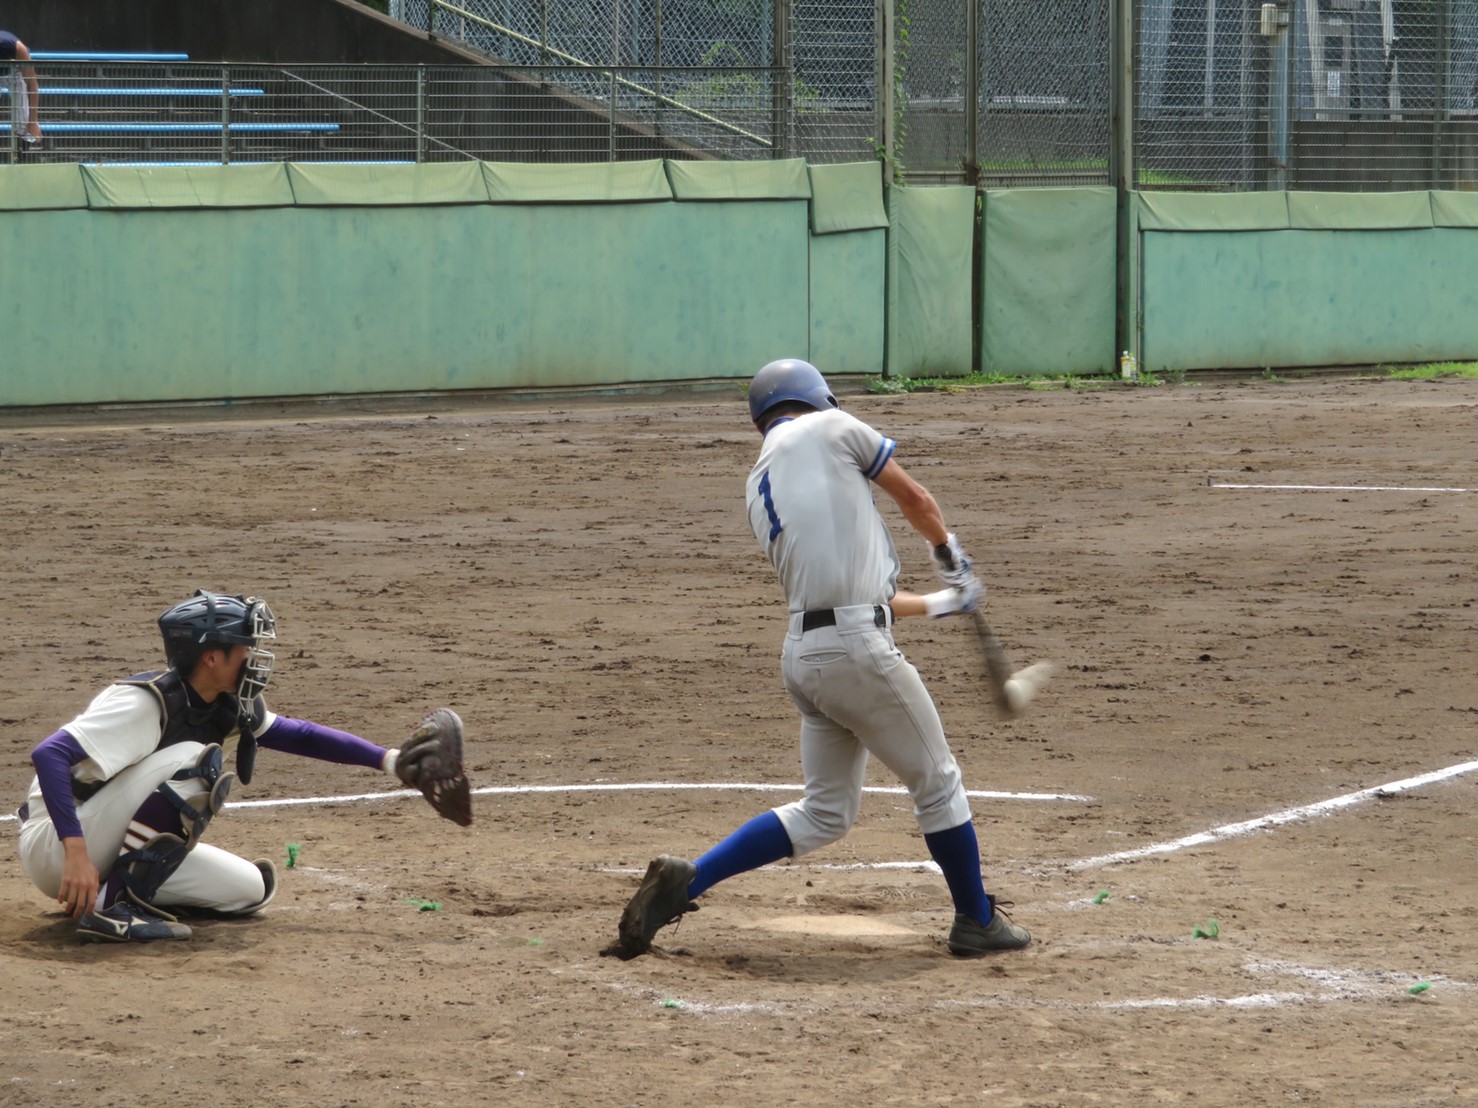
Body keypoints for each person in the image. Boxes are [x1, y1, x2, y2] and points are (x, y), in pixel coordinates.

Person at [613, 358, 1042, 959]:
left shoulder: (761, 481)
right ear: (819, 399)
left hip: (806, 658)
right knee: (938, 782)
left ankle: (690, 880)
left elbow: (862, 593)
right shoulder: (833, 428)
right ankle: (975, 919)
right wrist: (949, 553)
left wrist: (947, 603)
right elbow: (916, 498)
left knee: (825, 811)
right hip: (855, 652)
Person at [15, 590, 426, 942]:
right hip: (58, 842)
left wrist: (391, 761)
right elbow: (49, 754)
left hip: (100, 842)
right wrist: (76, 853)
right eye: (244, 646)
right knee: (194, 759)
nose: (254, 655)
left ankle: (122, 891)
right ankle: (109, 907)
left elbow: (298, 734)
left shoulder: (226, 706)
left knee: (248, 890)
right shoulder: (144, 702)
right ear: (212, 657)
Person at [0, 30, 43, 144]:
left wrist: (33, 121)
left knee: (24, 120)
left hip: (15, 72)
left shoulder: (15, 47)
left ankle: (23, 152)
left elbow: (32, 83)